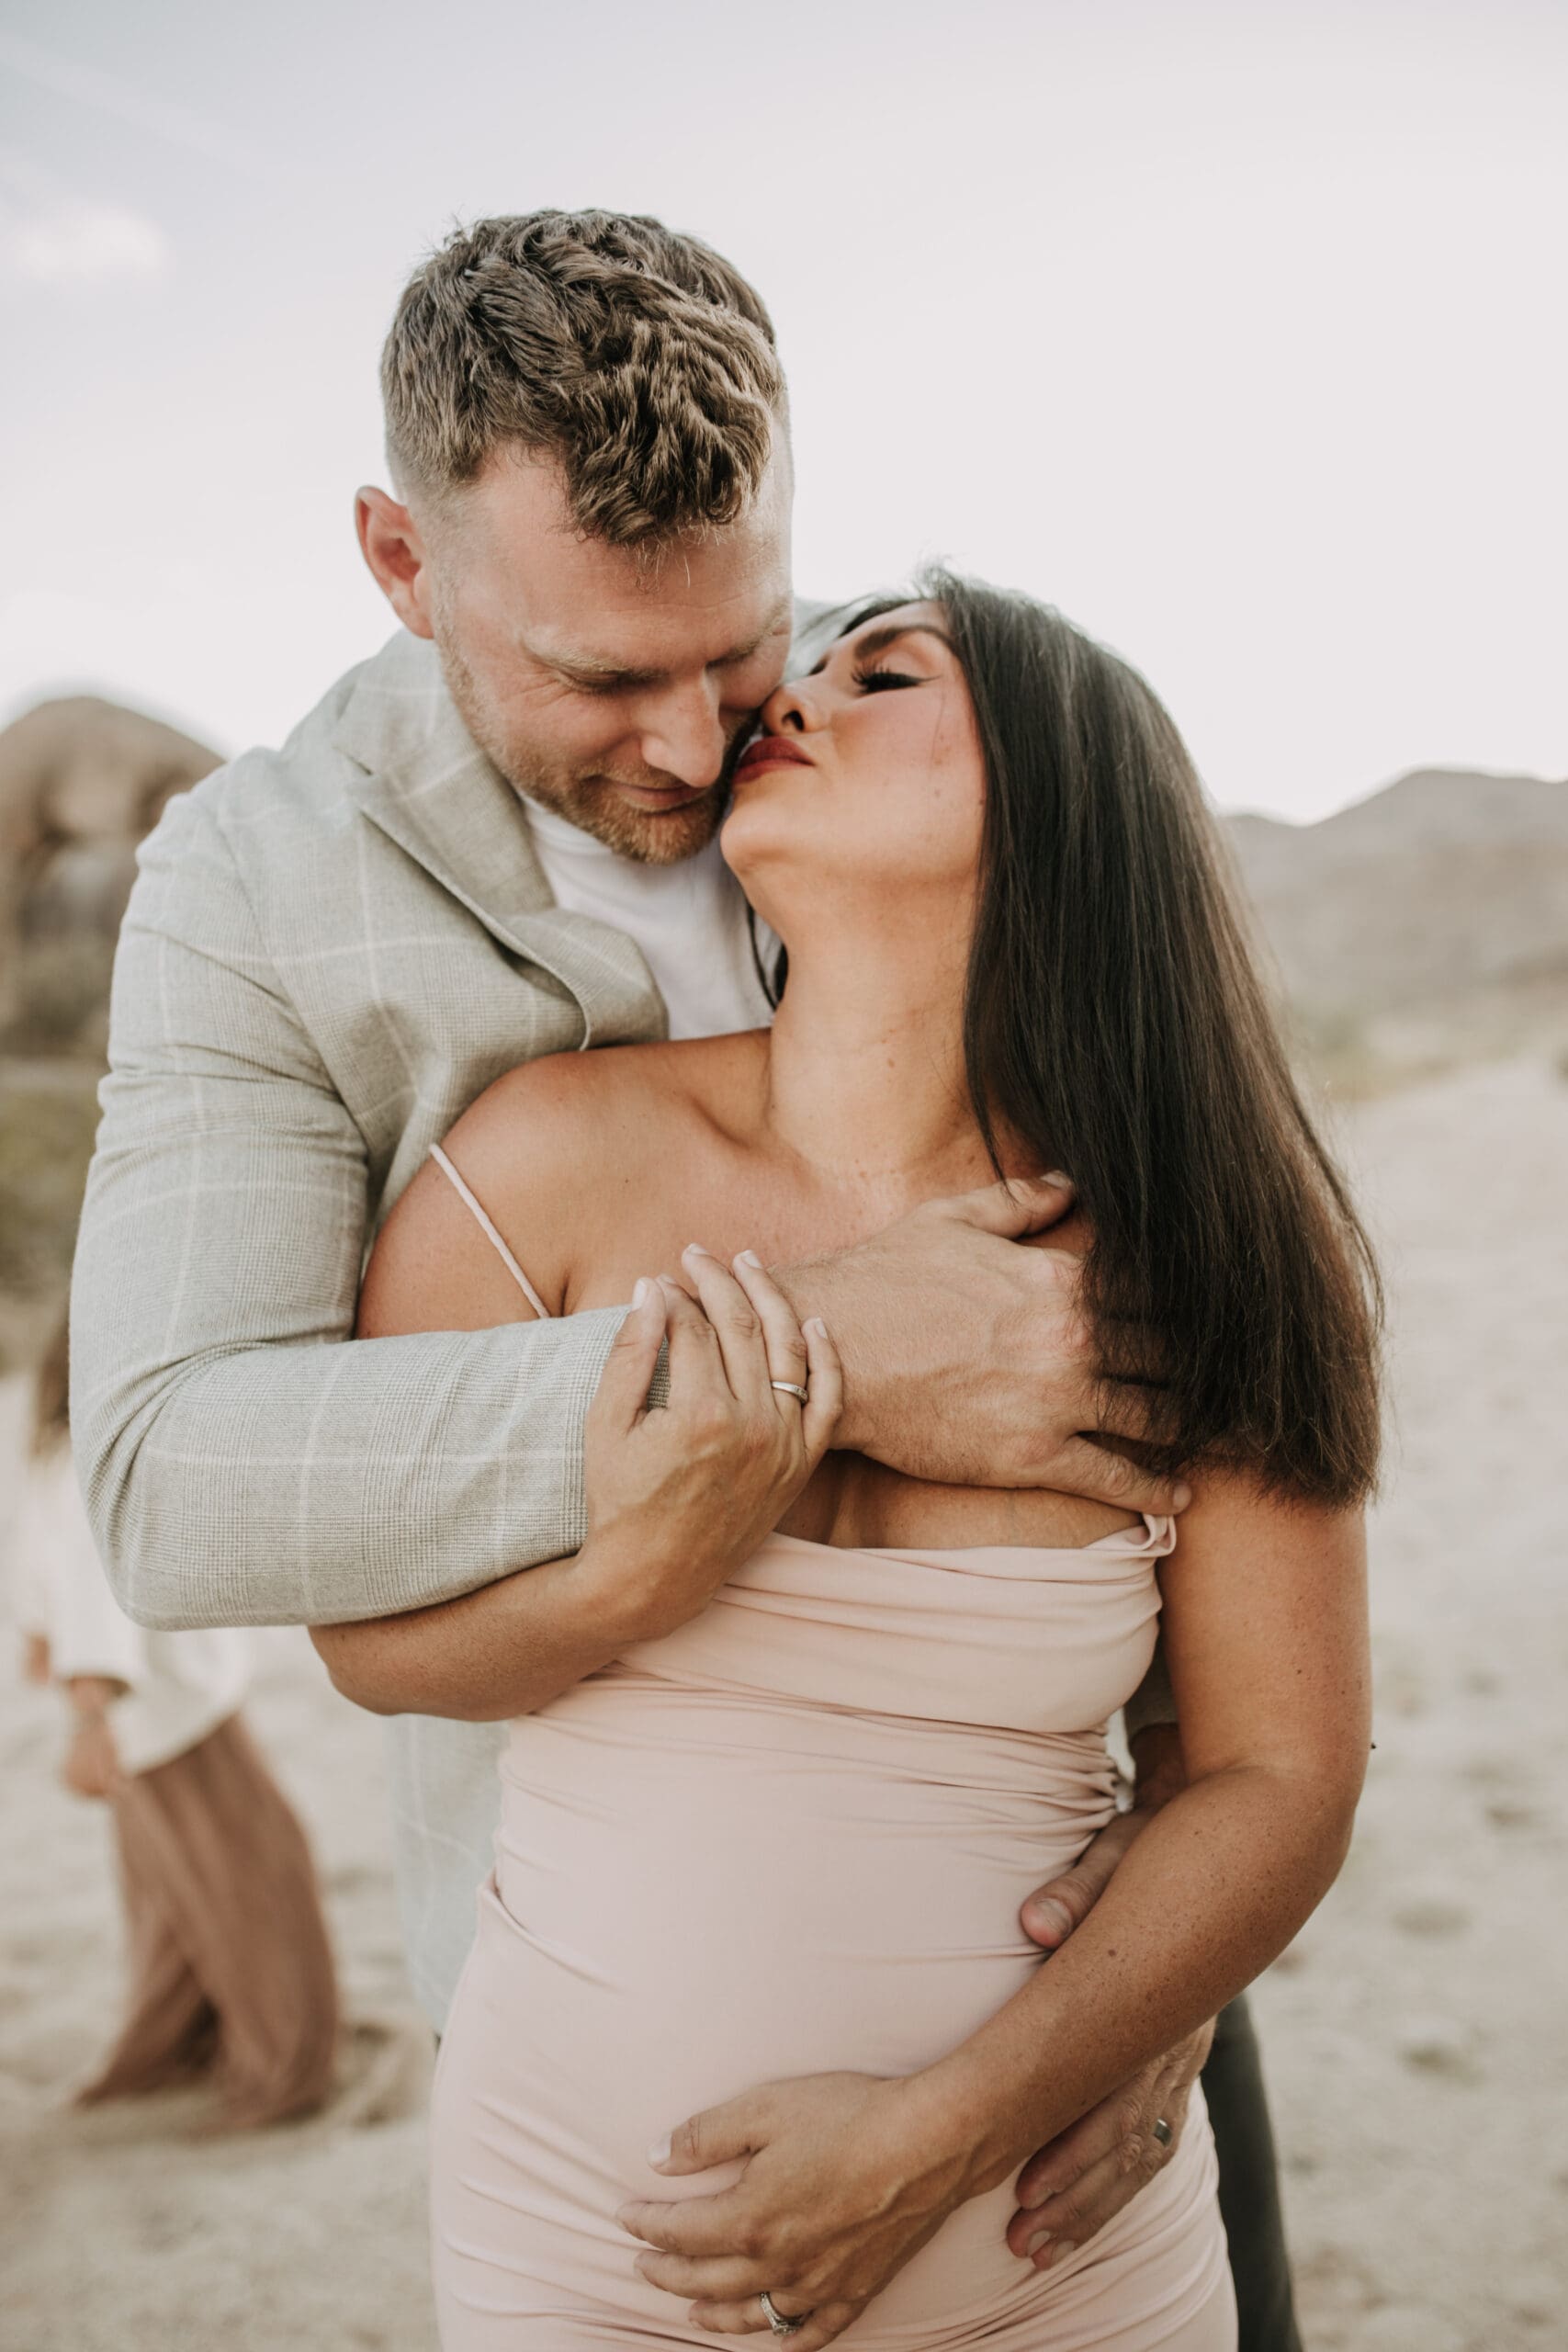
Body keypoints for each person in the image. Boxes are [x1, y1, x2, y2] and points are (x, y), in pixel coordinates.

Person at [67, 210, 1299, 2341]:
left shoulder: (894, 729)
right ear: (400, 562)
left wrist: (1181, 1915)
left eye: (732, 653)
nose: (686, 744)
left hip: (1077, 1974)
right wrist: (810, 1355)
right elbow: (179, 1478)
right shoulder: (252, 890)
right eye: (596, 678)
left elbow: (1182, 1183)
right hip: (576, 2016)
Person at [315, 578, 1378, 2347]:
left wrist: (940, 2137)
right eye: (808, 667)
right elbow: (367, 1644)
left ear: (1056, 807)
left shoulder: (1192, 1246)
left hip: (1054, 2261)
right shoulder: (542, 1164)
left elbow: (1279, 1776)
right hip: (578, 2245)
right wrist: (646, 1566)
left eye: (883, 674)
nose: (790, 695)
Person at [12, 1317, 338, 2129]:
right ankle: (282, 2073)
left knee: (174, 1893)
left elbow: (40, 1584)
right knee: (258, 1880)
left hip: (141, 1711)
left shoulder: (51, 1455)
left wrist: (47, 1646)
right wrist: (89, 1720)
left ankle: (170, 2049)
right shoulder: (99, 1456)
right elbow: (93, 1596)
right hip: (164, 1712)